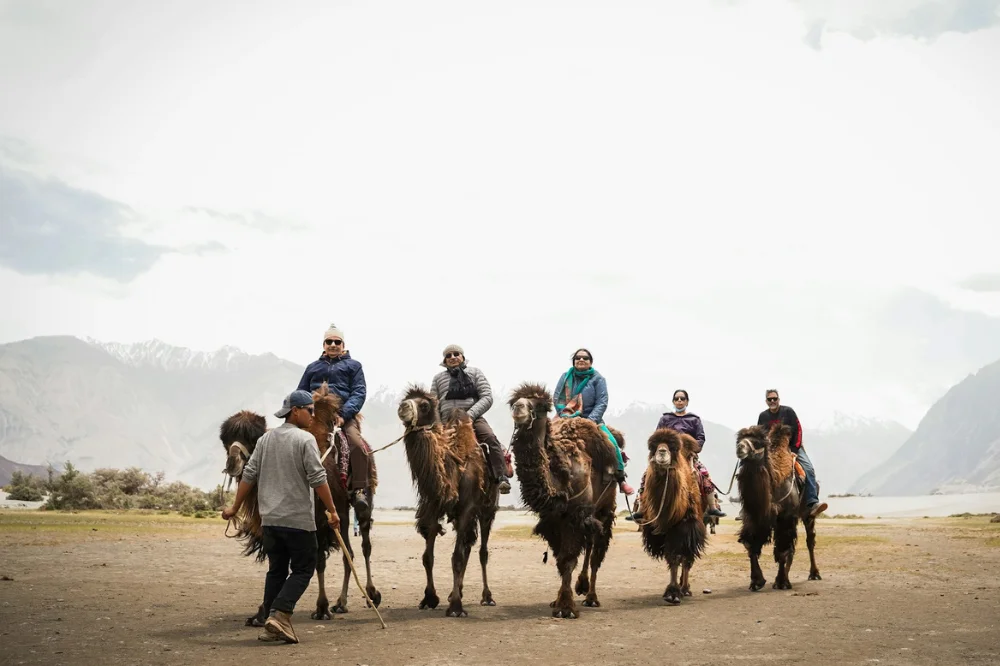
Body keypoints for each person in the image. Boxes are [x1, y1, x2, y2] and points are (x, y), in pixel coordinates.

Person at [222, 390, 340, 644]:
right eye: (309, 410)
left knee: (276, 571)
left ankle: (269, 623)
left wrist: (235, 507)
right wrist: (332, 509)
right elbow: (318, 479)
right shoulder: (305, 440)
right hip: (298, 521)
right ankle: (282, 615)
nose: (312, 415)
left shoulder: (266, 441)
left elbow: (249, 476)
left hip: (271, 522)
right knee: (304, 568)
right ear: (294, 411)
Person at [296, 323, 371, 521]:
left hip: (342, 414)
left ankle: (359, 490)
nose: (333, 344)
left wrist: (344, 414)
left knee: (357, 444)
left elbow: (359, 392)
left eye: (337, 341)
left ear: (343, 344)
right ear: (323, 344)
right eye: (329, 341)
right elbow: (301, 392)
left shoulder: (354, 366)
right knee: (289, 440)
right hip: (314, 415)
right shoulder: (312, 367)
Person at [431, 344, 512, 494]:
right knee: (431, 448)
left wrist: (471, 415)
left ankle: (502, 477)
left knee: (490, 439)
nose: (453, 357)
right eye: (448, 355)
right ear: (444, 360)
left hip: (472, 418)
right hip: (447, 421)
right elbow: (433, 403)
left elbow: (487, 396)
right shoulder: (438, 379)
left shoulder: (474, 372)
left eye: (456, 354)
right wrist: (438, 424)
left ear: (462, 356)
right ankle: (432, 485)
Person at [633, 389, 725, 519]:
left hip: (688, 455)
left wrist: (694, 448)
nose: (679, 401)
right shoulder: (665, 418)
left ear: (687, 401)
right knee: (646, 475)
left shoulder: (694, 419)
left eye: (682, 398)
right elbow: (657, 435)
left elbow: (700, 438)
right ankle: (642, 507)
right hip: (668, 455)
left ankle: (712, 507)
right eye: (676, 399)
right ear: (673, 401)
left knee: (704, 474)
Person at [553, 348, 633, 495]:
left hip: (592, 419)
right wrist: (564, 415)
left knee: (611, 443)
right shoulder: (565, 377)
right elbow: (558, 399)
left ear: (591, 362)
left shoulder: (598, 379)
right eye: (578, 358)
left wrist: (590, 421)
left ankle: (621, 479)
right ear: (574, 361)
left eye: (585, 358)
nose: (581, 360)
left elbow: (602, 402)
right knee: (547, 441)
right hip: (565, 418)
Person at [757, 389, 828, 517]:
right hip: (771, 450)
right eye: (769, 399)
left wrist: (795, 450)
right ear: (766, 401)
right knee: (753, 470)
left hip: (791, 447)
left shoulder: (788, 412)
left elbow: (798, 430)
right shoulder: (763, 416)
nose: (772, 401)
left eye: (775, 398)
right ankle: (750, 506)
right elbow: (760, 435)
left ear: (779, 399)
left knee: (808, 469)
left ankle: (812, 502)